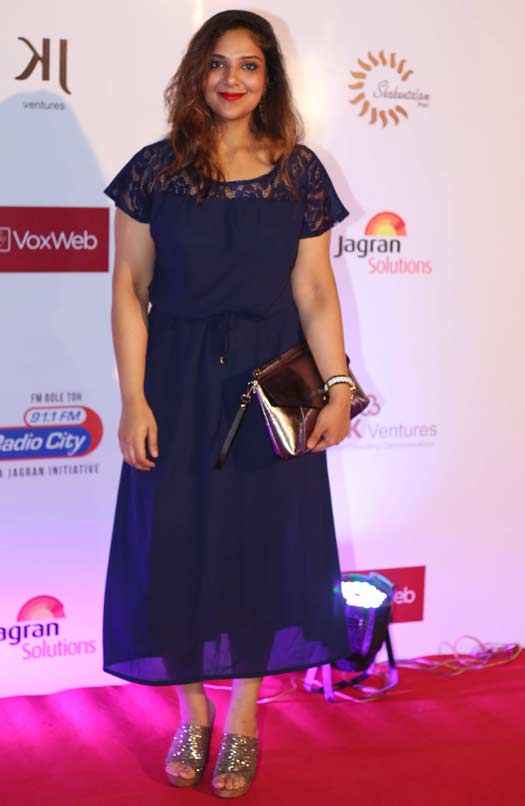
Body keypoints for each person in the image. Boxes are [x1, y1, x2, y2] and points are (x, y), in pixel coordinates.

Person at [103, 8, 353, 799]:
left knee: (260, 545)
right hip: (175, 384)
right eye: (216, 63)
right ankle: (192, 710)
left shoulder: (297, 172)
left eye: (248, 64)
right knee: (171, 544)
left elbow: (314, 291)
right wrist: (133, 399)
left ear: (268, 77)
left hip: (269, 387)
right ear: (195, 73)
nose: (231, 79)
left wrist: (337, 387)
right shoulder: (154, 171)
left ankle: (242, 716)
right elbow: (129, 287)